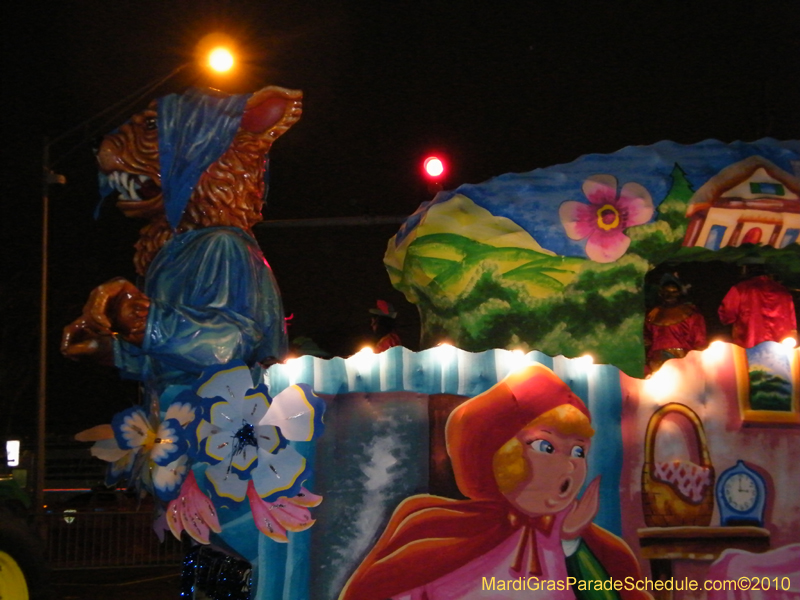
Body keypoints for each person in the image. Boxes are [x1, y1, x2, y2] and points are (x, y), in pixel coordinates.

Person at [339, 364, 650, 600]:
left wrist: (571, 544)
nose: (570, 465)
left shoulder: (592, 546)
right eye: (546, 446)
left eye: (579, 450)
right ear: (497, 453)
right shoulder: (432, 528)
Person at [718, 260, 798, 348]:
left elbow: (726, 315)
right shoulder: (783, 291)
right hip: (780, 346)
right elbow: (792, 323)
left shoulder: (740, 289)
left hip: (749, 345)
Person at [643, 273, 707, 373]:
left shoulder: (691, 314)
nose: (670, 295)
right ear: (661, 293)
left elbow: (699, 340)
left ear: (679, 293)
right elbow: (647, 339)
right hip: (658, 362)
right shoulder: (652, 315)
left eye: (674, 292)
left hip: (684, 361)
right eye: (666, 292)